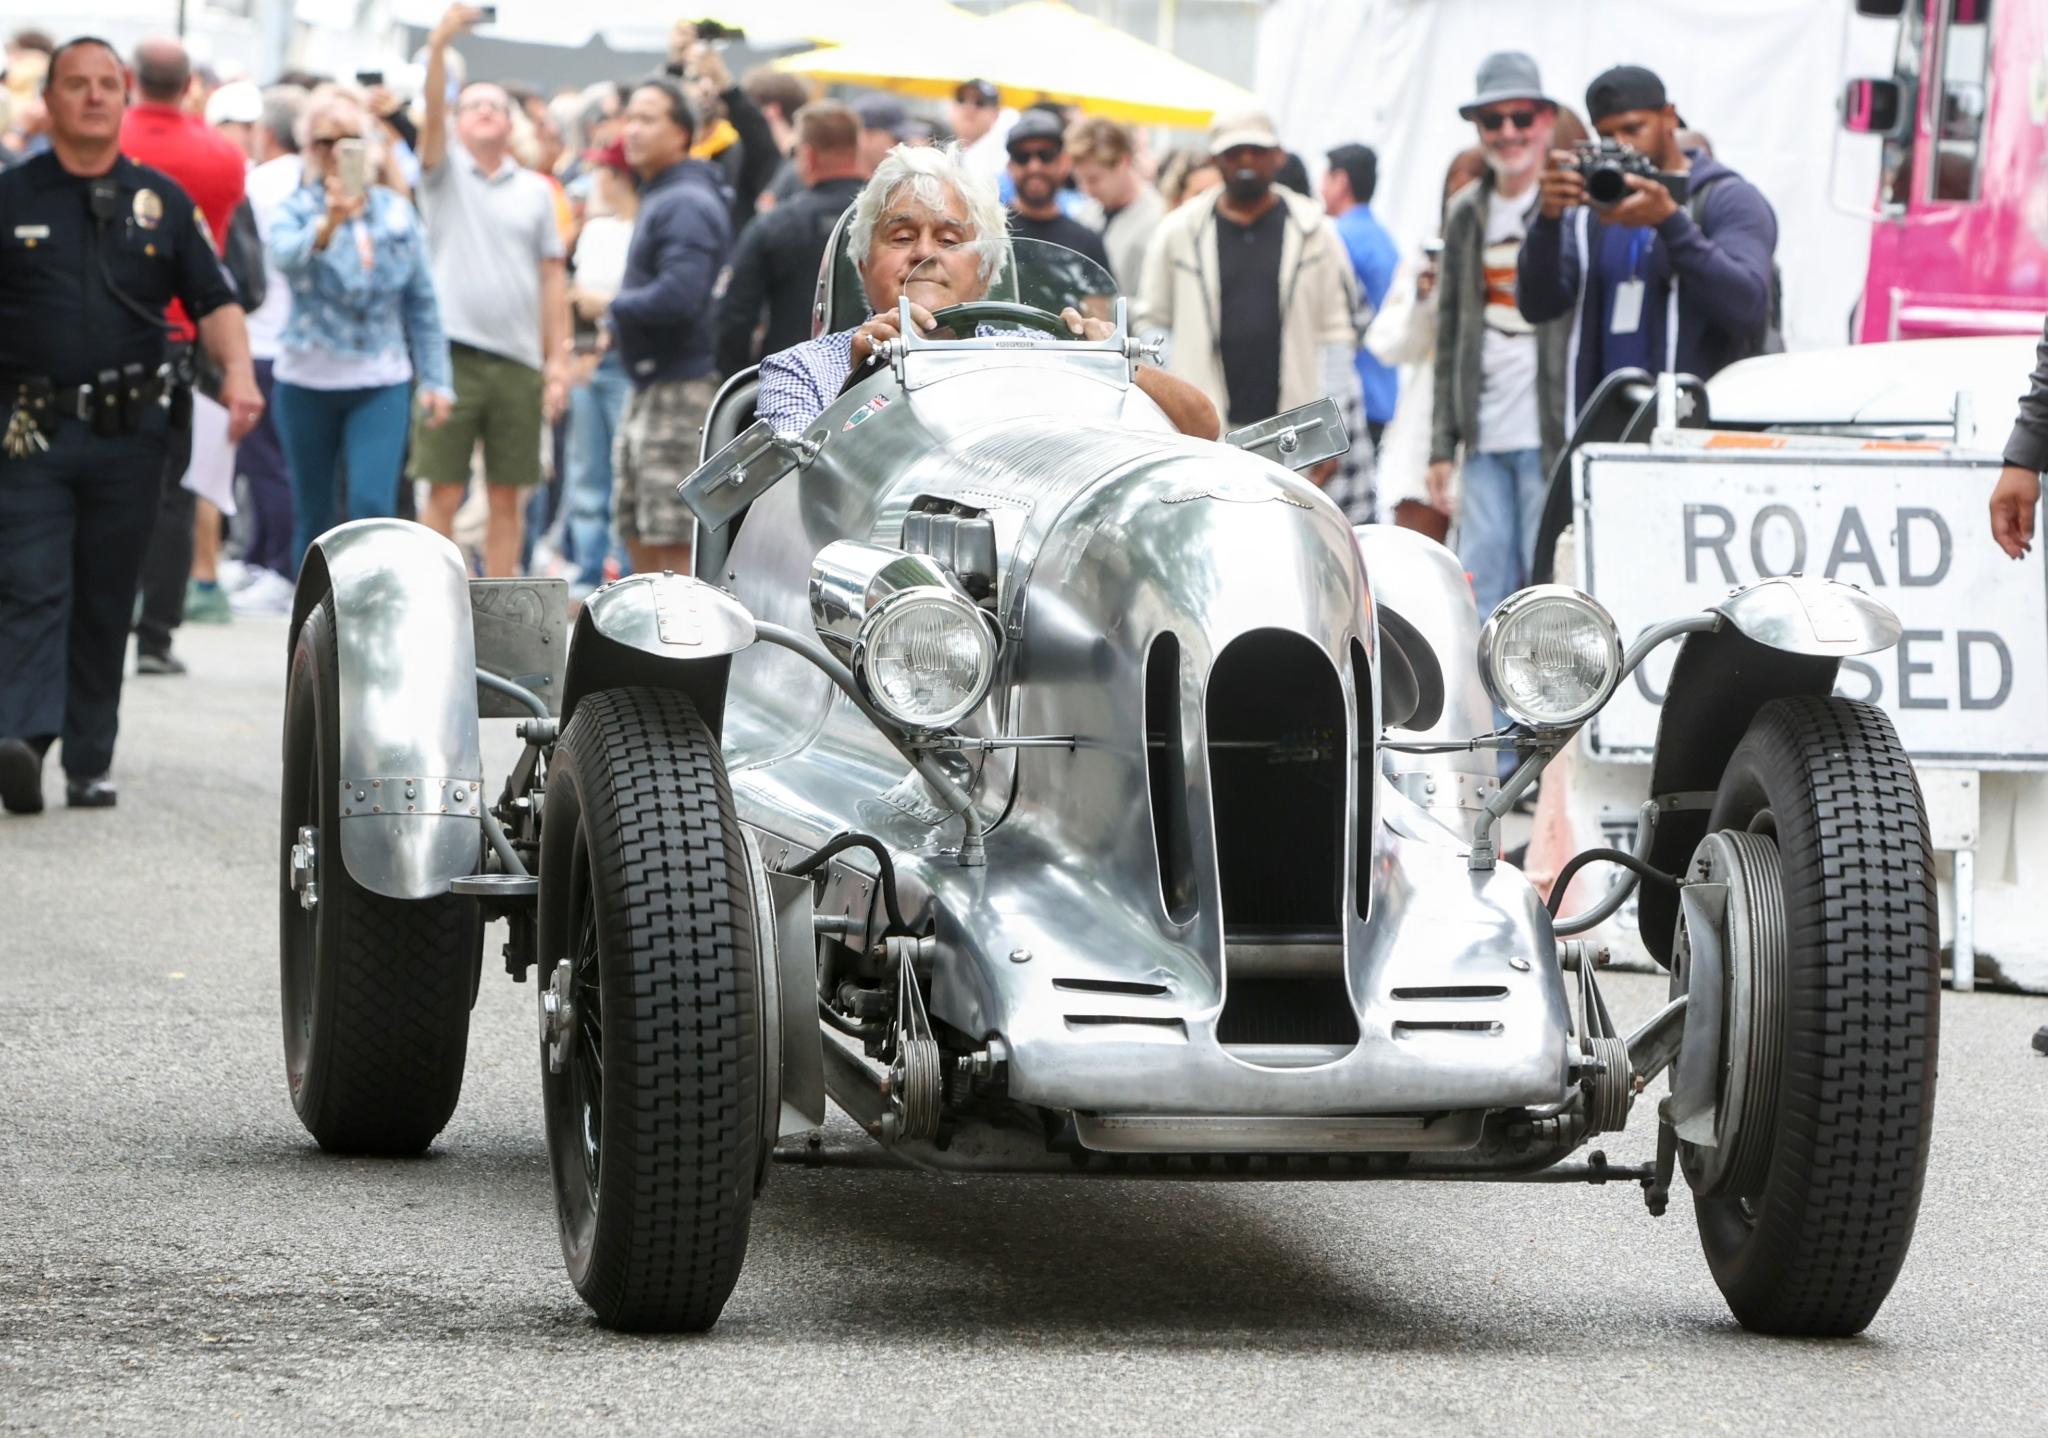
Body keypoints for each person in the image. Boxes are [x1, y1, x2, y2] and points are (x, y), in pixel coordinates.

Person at [0, 36, 260, 814]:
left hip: (133, 430)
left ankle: (87, 760)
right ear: (47, 101)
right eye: (74, 85)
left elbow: (213, 298)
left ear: (125, 96)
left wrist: (240, 374)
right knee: (30, 583)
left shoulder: (162, 201)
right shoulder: (13, 196)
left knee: (108, 595)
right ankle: (21, 737)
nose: (92, 97)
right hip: (31, 429)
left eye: (106, 84)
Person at [756, 143, 1216, 443]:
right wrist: (857, 387)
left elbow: (1202, 432)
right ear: (862, 263)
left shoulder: (1042, 352)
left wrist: (1115, 363)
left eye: (951, 240)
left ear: (987, 269)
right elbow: (787, 500)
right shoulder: (804, 369)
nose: (924, 253)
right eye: (900, 237)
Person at [1518, 64, 1778, 421]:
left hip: (1698, 433)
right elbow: (1538, 306)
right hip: (1609, 435)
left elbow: (1748, 309)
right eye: (1607, 135)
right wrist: (1546, 221)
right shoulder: (1591, 213)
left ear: (1669, 117)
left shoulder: (1726, 198)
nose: (1622, 144)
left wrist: (1670, 222)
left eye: (1633, 128)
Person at [412, 5, 569, 578]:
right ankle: (433, 593)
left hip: (519, 361)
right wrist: (437, 47)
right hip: (449, 354)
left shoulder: (535, 191)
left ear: (511, 125)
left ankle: (501, 605)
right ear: (457, 121)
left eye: (496, 107)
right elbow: (429, 113)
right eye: (474, 105)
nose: (485, 112)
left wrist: (556, 361)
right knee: (443, 488)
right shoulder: (441, 174)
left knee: (510, 494)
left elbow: (553, 279)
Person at [266, 90, 453, 573]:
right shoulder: (296, 209)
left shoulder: (395, 210)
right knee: (313, 514)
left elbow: (422, 301)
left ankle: (368, 613)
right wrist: (330, 221)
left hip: (379, 375)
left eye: (347, 140)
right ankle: (312, 627)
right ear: (307, 149)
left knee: (372, 505)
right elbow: (285, 257)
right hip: (307, 378)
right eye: (322, 141)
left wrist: (437, 379)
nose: (334, 151)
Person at [1430, 52, 1575, 620]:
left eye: (1521, 117)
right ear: (1478, 128)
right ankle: (1489, 713)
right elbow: (1449, 331)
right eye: (1495, 120)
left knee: (1551, 585)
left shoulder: (1571, 201)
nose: (1509, 132)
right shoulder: (1467, 211)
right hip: (1484, 430)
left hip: (1552, 430)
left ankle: (1552, 710)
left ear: (1544, 119)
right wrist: (1441, 444)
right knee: (1482, 585)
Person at [120, 34, 248, 668]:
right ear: (189, 83)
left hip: (115, 330)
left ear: (130, 78)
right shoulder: (222, 155)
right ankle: (156, 636)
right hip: (190, 334)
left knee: (103, 482)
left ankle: (108, 618)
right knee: (174, 492)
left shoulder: (110, 142)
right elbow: (214, 248)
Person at [1135, 111, 1358, 432]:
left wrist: (1330, 427)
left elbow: (1336, 335)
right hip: (1204, 430)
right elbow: (1153, 322)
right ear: (1216, 160)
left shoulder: (1315, 232)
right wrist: (1178, 395)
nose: (1246, 161)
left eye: (1257, 152)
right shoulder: (1178, 232)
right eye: (1233, 153)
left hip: (1295, 428)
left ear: (1278, 157)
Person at [602, 77, 731, 578]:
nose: (631, 130)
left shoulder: (685, 202)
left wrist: (613, 305)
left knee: (674, 543)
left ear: (683, 133)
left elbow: (681, 295)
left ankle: (677, 654)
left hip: (682, 387)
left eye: (647, 119)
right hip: (652, 383)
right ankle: (643, 651)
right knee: (637, 528)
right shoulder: (665, 192)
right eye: (629, 117)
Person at [223, 84, 307, 612]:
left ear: (266, 133)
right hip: (290, 341)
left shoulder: (258, 182)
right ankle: (263, 556)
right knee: (274, 461)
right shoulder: (308, 182)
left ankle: (278, 564)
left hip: (262, 337)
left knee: (266, 463)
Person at [715, 100, 865, 378]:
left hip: (791, 377)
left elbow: (735, 317)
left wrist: (741, 383)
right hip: (876, 378)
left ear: (807, 156)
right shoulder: (891, 218)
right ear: (857, 149)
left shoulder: (775, 225)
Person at [558, 141, 636, 601]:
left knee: (621, 467)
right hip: (590, 358)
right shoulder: (595, 231)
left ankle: (623, 570)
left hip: (625, 359)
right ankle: (589, 569)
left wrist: (602, 310)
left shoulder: (643, 228)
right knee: (587, 469)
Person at [1322, 143, 1399, 450]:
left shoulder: (1336, 238)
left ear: (1340, 181)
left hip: (1351, 396)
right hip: (1383, 391)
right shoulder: (1383, 237)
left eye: (1325, 178)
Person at [1003, 109, 1110, 272]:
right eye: (1022, 156)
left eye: (1046, 155)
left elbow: (1101, 297)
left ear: (1065, 162)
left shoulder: (1088, 243)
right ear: (1010, 167)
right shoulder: (990, 232)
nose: (1034, 166)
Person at [1067, 116, 1163, 289]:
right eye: (1079, 180)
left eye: (1094, 179)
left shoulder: (1157, 220)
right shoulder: (1089, 211)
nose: (1086, 189)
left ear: (1123, 162)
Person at [948, 78, 1013, 181]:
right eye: (961, 99)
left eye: (979, 103)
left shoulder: (1003, 161)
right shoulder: (941, 151)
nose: (969, 107)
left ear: (995, 114)